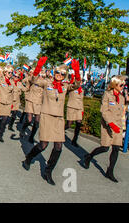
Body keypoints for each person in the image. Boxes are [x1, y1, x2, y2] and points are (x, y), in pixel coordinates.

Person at [22, 57, 81, 185]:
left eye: (63, 74)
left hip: (59, 118)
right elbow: (34, 80)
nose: (60, 75)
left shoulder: (65, 86)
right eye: (57, 73)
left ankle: (48, 171)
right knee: (43, 145)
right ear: (54, 73)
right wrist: (38, 67)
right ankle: (29, 158)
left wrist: (77, 71)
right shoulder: (47, 83)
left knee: (59, 147)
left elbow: (77, 85)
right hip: (46, 116)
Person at [82, 75, 127, 183]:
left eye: (124, 85)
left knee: (116, 148)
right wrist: (111, 124)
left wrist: (121, 125)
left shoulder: (121, 97)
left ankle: (110, 171)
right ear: (115, 84)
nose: (123, 86)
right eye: (121, 84)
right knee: (105, 148)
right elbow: (104, 111)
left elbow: (122, 112)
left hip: (118, 126)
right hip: (108, 125)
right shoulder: (107, 95)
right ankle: (89, 156)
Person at [65, 74, 84, 147]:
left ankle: (74, 140)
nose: (80, 82)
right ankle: (59, 132)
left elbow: (81, 100)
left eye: (81, 81)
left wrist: (82, 110)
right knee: (69, 124)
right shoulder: (72, 87)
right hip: (71, 107)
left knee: (78, 124)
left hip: (79, 108)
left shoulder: (82, 90)